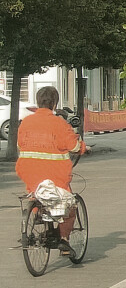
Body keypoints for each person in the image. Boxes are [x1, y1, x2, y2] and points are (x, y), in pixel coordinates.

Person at [16, 86, 86, 256]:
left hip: (29, 172)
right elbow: (74, 146)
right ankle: (64, 240)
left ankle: (37, 213)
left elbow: (20, 145)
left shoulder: (26, 122)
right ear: (55, 104)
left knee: (37, 195)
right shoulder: (59, 123)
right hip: (55, 175)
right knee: (69, 207)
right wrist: (84, 147)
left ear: (38, 102)